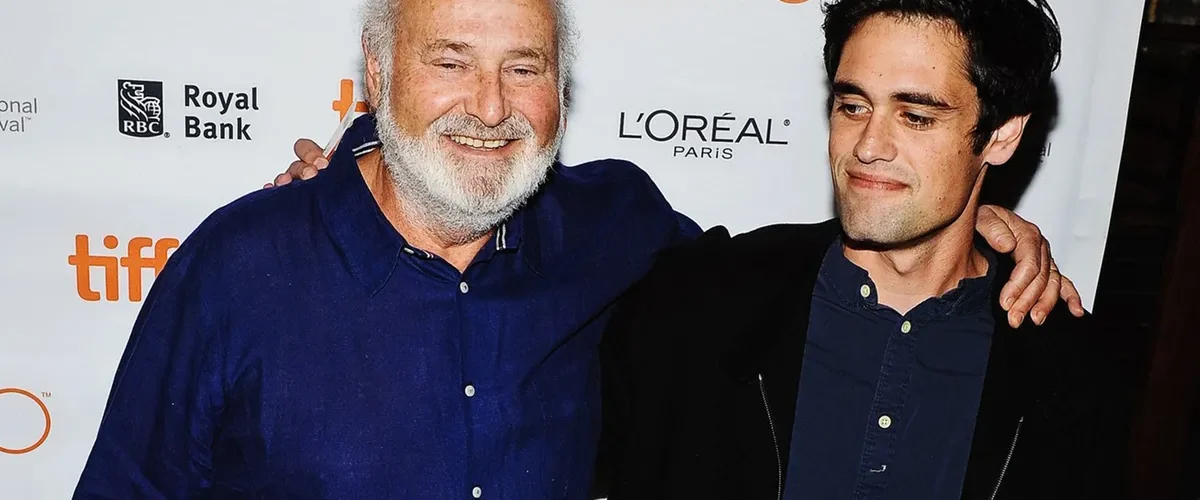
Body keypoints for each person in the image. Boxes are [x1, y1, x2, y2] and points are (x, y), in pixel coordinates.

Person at [74, 0, 1075, 499]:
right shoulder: (241, 268)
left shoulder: (615, 228)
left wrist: (980, 221)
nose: (490, 107)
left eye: (525, 67)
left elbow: (785, 277)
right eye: (449, 61)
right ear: (378, 73)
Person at [595, 1, 1125, 499]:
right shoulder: (694, 306)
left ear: (1002, 135)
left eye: (916, 117)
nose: (868, 146)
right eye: (853, 106)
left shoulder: (1066, 370)